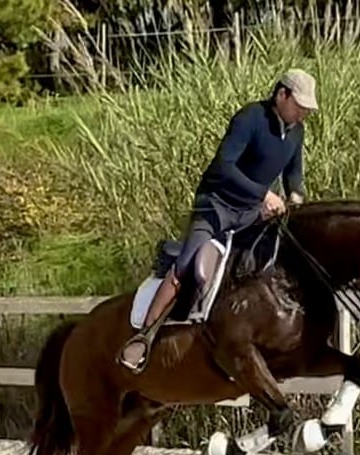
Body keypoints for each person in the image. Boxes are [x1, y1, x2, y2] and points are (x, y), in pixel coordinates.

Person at [116, 68, 318, 373]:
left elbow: (293, 173)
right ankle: (143, 337)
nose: (302, 113)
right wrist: (264, 195)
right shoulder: (250, 118)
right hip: (216, 207)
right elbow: (224, 166)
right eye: (298, 105)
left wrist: (295, 199)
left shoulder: (296, 131)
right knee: (188, 266)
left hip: (253, 214)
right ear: (281, 95)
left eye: (306, 108)